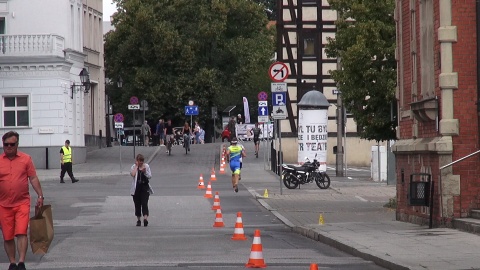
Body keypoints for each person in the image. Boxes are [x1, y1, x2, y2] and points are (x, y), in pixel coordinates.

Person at [0, 131, 45, 270]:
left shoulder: (26, 159)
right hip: (3, 204)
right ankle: (12, 262)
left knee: (21, 232)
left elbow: (33, 178)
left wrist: (40, 196)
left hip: (22, 203)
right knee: (7, 236)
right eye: (5, 144)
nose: (8, 147)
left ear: (17, 144)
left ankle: (21, 262)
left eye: (12, 144)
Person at [130, 154, 153, 227]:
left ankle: (145, 218)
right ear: (137, 161)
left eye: (142, 161)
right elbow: (132, 174)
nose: (141, 163)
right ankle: (138, 219)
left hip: (144, 187)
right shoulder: (134, 167)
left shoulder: (146, 166)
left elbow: (150, 176)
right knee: (137, 204)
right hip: (136, 188)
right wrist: (136, 167)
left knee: (144, 203)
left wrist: (145, 172)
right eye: (140, 161)